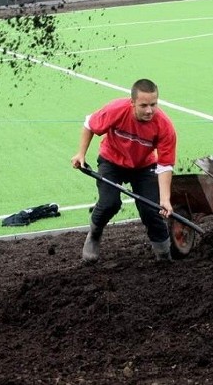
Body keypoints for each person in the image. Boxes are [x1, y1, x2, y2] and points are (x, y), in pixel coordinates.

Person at [71, 78, 177, 263]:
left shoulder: (164, 126)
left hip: (144, 166)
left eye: (153, 104)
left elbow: (165, 165)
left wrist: (165, 200)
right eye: (143, 105)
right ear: (132, 102)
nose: (149, 110)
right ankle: (94, 235)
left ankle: (163, 255)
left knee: (152, 210)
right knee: (109, 203)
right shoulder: (116, 109)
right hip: (112, 161)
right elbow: (89, 124)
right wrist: (81, 154)